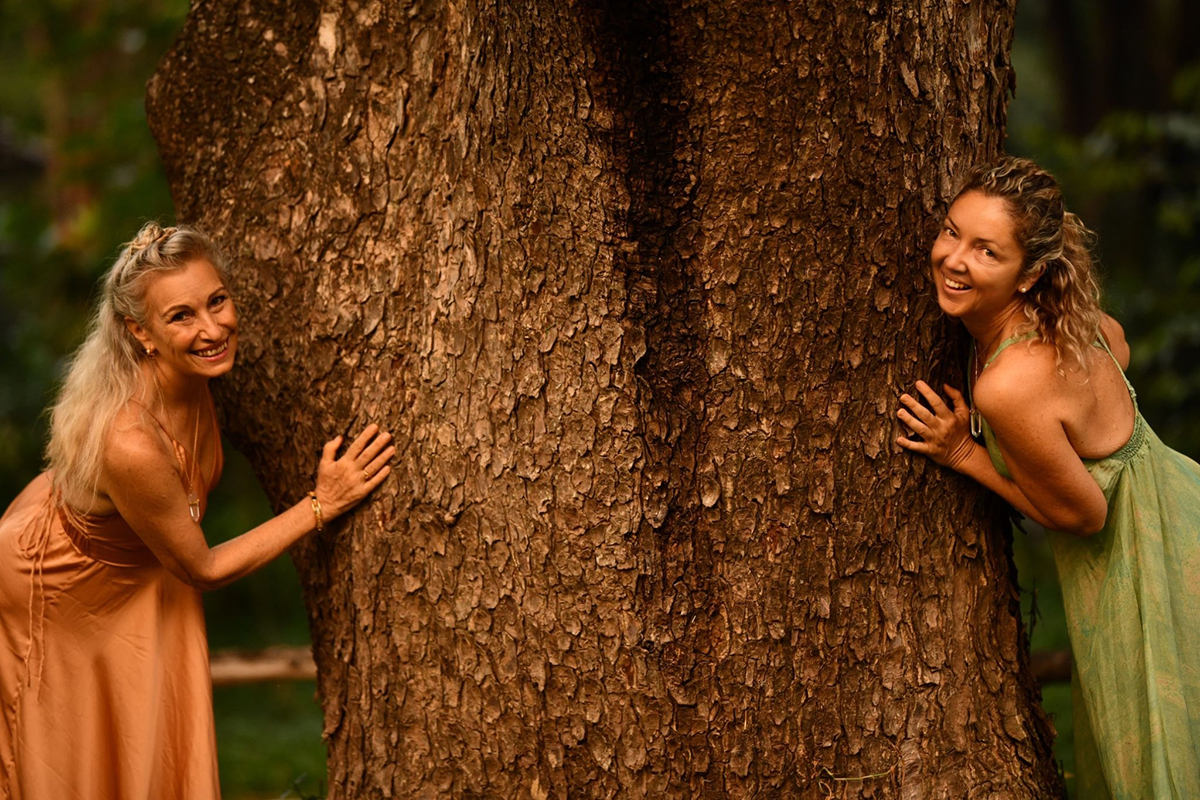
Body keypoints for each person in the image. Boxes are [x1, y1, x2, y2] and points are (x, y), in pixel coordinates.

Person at [0, 222, 395, 799]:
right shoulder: (130, 439)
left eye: (217, 301)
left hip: (141, 567)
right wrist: (322, 503)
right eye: (182, 316)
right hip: (59, 589)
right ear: (142, 333)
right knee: (79, 753)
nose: (213, 329)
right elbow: (203, 568)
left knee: (148, 739)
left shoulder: (193, 374)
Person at [895, 156, 1199, 797]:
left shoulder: (1009, 385)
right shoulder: (1068, 321)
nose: (954, 259)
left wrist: (964, 456)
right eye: (952, 232)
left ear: (1030, 275)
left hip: (1143, 559)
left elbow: (1087, 514)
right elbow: (1115, 344)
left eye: (986, 251)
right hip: (1179, 500)